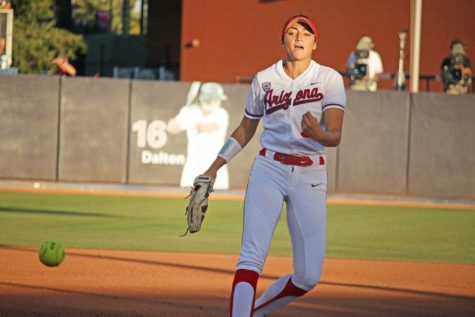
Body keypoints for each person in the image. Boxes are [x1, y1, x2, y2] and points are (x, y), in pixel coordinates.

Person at [200, 14, 346, 316]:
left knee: (308, 276)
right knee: (251, 257)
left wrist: (320, 134)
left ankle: (256, 311)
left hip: (311, 173)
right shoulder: (264, 80)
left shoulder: (329, 79)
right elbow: (244, 130)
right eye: (292, 32)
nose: (299, 38)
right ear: (282, 41)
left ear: (315, 43)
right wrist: (213, 168)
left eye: (306, 33)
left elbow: (334, 134)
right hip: (270, 168)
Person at [167, 82, 230, 190]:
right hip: (192, 167)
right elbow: (172, 129)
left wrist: (190, 121)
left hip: (215, 168)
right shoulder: (189, 112)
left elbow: (208, 126)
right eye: (216, 99)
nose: (219, 101)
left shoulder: (222, 114)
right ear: (209, 99)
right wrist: (174, 122)